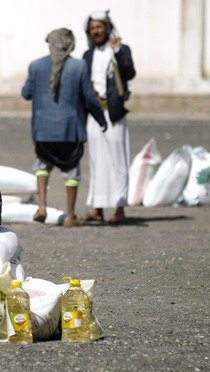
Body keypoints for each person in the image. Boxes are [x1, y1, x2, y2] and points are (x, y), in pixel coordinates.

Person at [21, 28, 107, 227]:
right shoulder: (79, 67)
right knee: (71, 173)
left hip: (42, 131)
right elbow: (89, 98)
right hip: (70, 131)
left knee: (42, 166)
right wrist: (101, 120)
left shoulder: (35, 66)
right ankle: (70, 216)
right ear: (71, 45)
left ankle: (41, 207)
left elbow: (26, 93)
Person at [83, 10, 136, 224]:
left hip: (113, 113)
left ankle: (119, 209)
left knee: (117, 161)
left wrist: (118, 51)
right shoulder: (87, 55)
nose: (96, 31)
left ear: (107, 28)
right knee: (97, 161)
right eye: (93, 27)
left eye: (100, 27)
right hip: (94, 114)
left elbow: (129, 72)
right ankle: (97, 208)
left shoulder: (121, 50)